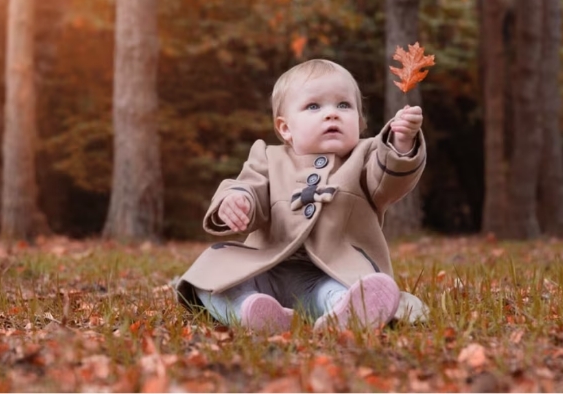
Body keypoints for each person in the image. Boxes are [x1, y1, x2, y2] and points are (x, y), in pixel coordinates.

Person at [176, 59, 428, 333]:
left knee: (337, 292)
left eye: (344, 105)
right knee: (211, 276)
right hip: (266, 270)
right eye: (314, 106)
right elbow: (250, 186)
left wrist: (401, 143)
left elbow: (390, 181)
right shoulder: (269, 157)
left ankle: (345, 312)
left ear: (360, 120)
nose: (332, 114)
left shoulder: (366, 156)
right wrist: (237, 201)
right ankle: (249, 311)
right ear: (285, 128)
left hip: (332, 273)